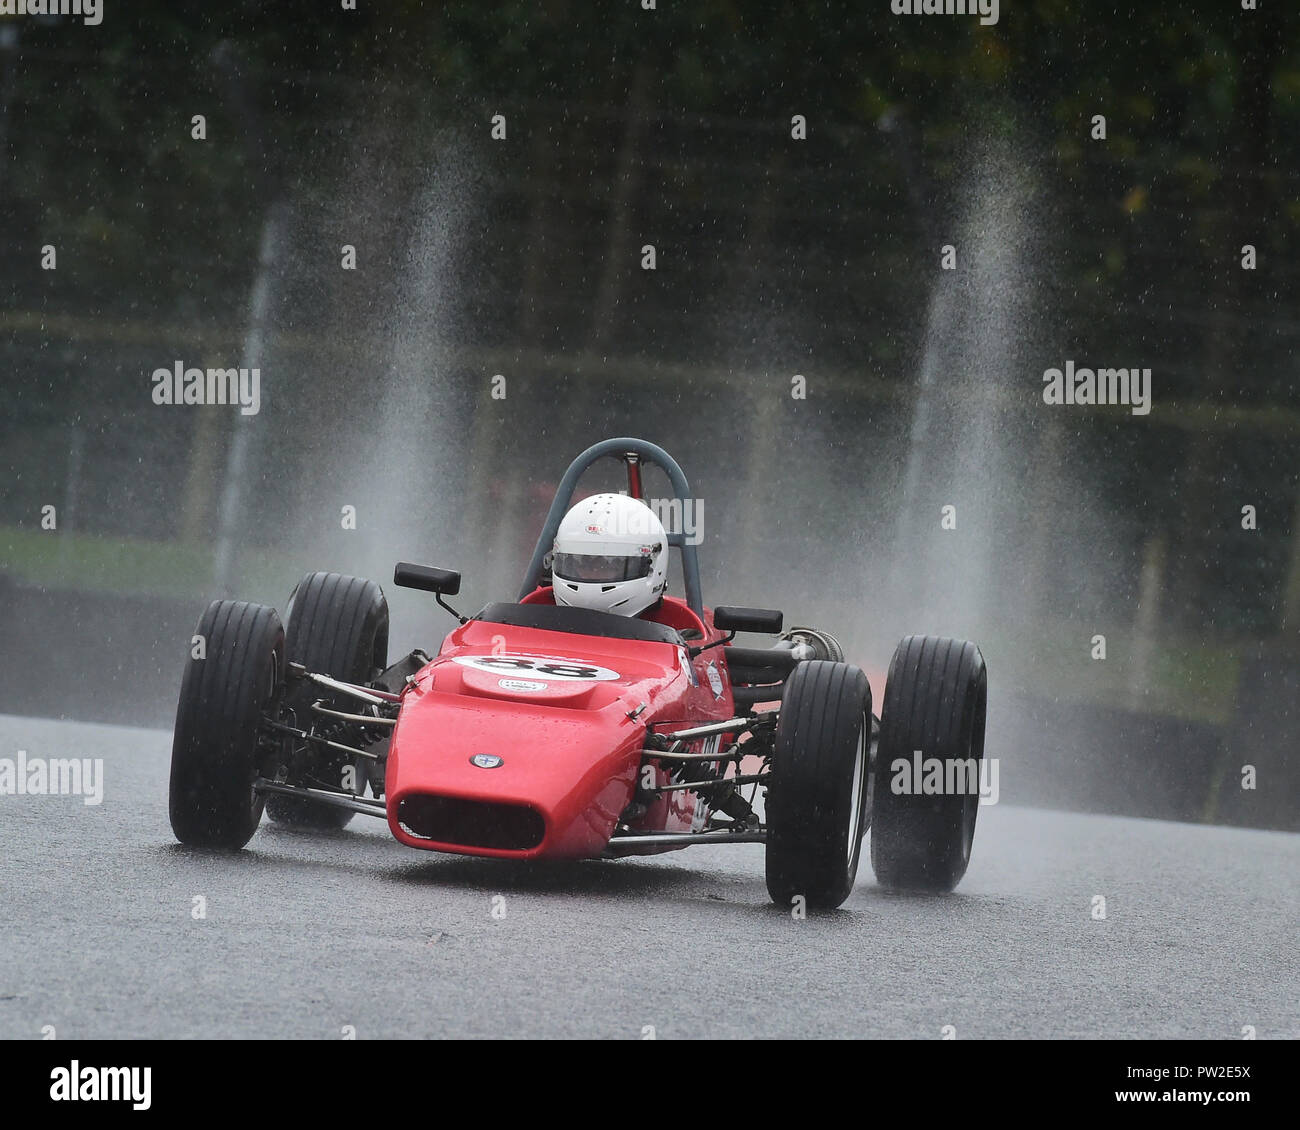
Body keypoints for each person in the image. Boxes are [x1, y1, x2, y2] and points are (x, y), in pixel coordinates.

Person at [550, 492, 668, 617]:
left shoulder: (681, 632)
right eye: (584, 564)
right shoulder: (533, 619)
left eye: (610, 565)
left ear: (652, 567)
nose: (593, 574)